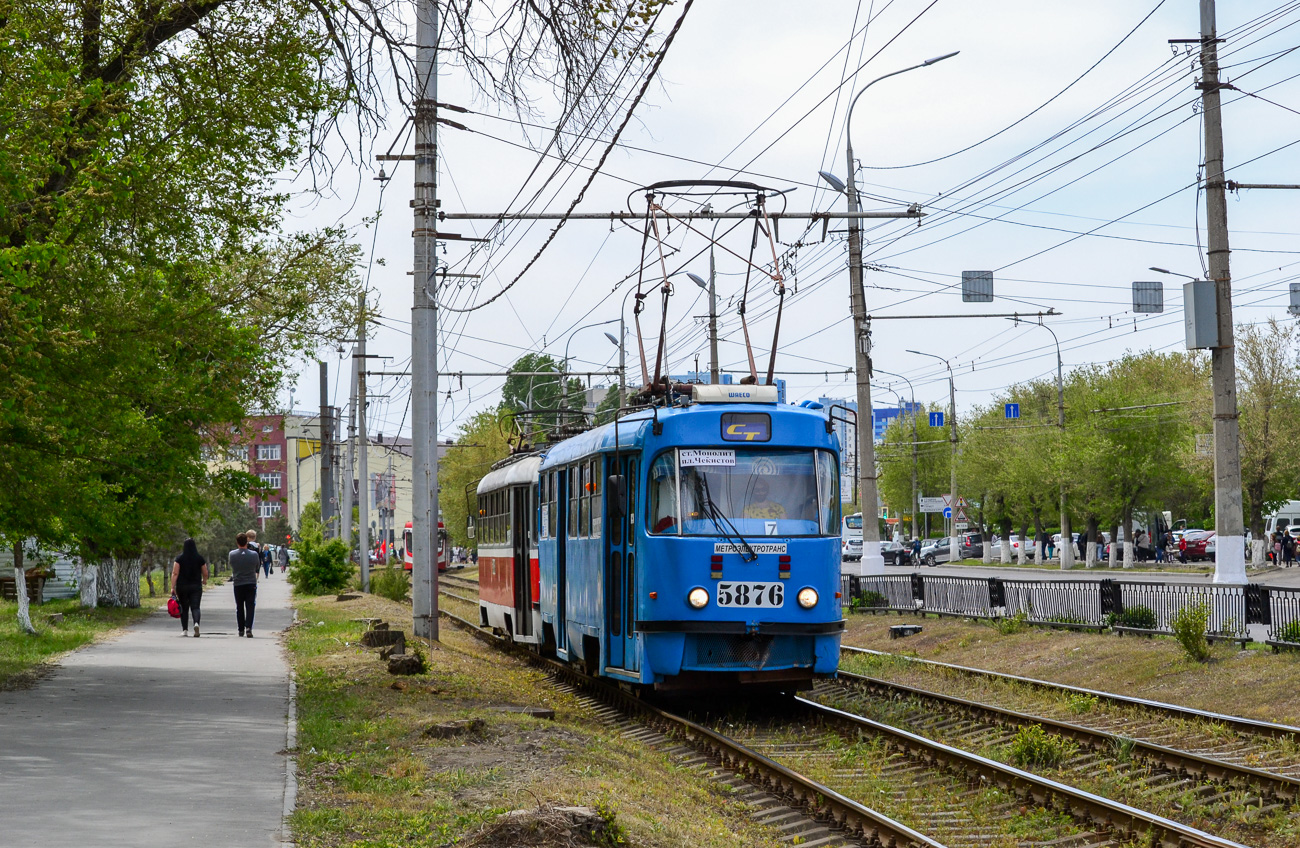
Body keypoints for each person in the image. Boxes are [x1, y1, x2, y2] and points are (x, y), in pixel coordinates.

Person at [170, 538, 208, 637]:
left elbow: (175, 573)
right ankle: (196, 623)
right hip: (196, 586)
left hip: (182, 586)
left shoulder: (179, 558)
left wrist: (172, 586)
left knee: (184, 607)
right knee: (195, 607)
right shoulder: (199, 558)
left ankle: (185, 630)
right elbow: (205, 572)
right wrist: (204, 580)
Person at [229, 532, 261, 638]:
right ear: (246, 542)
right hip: (251, 582)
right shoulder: (254, 555)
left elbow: (232, 565)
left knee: (239, 607)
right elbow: (257, 566)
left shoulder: (232, 554)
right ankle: (248, 627)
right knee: (250, 606)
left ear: (237, 542)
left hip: (238, 583)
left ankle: (240, 629)